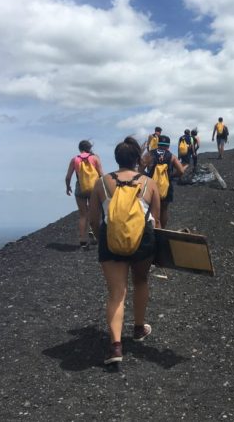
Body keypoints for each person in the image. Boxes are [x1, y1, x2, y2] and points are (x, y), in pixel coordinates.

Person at [88, 136, 161, 365]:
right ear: (138, 159)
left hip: (111, 240)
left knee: (116, 292)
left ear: (116, 158)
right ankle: (138, 329)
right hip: (143, 240)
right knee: (140, 281)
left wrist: (103, 237)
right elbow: (156, 220)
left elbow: (93, 219)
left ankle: (116, 346)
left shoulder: (101, 183)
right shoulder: (149, 183)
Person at [141, 135, 186, 229]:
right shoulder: (172, 156)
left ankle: (152, 228)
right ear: (168, 146)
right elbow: (181, 171)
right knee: (164, 209)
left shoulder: (149, 154)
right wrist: (172, 176)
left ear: (158, 144)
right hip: (166, 186)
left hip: (150, 186)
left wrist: (147, 176)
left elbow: (140, 169)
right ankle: (162, 229)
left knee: (150, 208)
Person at [65, 140, 104, 249]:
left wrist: (68, 187)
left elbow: (68, 177)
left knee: (83, 214)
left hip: (80, 188)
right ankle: (94, 233)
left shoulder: (74, 159)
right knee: (95, 212)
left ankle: (82, 240)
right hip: (94, 188)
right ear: (89, 148)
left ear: (79, 148)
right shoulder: (95, 158)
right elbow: (101, 174)